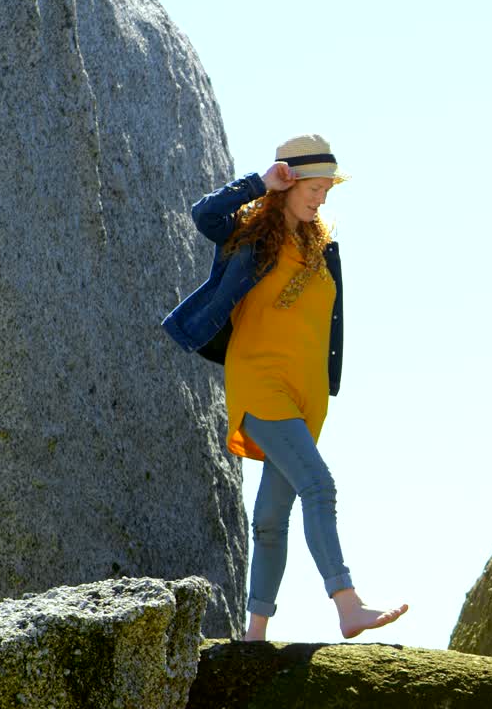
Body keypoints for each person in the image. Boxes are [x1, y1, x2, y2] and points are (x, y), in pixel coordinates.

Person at [162, 134, 407, 641]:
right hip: (260, 381)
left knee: (272, 516)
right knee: (319, 485)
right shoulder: (251, 234)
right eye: (313, 187)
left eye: (327, 190)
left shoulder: (324, 245)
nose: (321, 198)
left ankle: (254, 636)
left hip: (307, 394)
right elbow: (203, 215)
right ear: (288, 181)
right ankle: (348, 604)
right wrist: (260, 182)